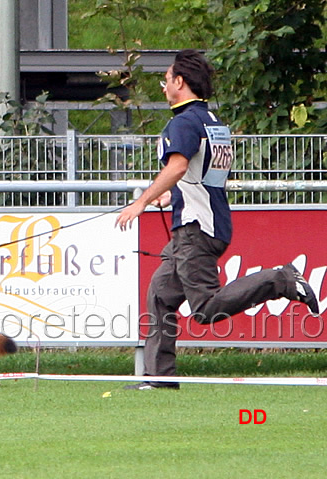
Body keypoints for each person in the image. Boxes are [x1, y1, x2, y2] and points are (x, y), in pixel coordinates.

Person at [115, 49, 319, 390]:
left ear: (180, 82)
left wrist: (142, 201)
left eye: (166, 80)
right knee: (161, 294)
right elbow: (202, 173)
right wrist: (172, 195)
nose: (164, 86)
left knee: (206, 309)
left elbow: (178, 166)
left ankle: (280, 280)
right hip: (205, 222)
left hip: (196, 228)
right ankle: (159, 379)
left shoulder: (183, 122)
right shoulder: (213, 123)